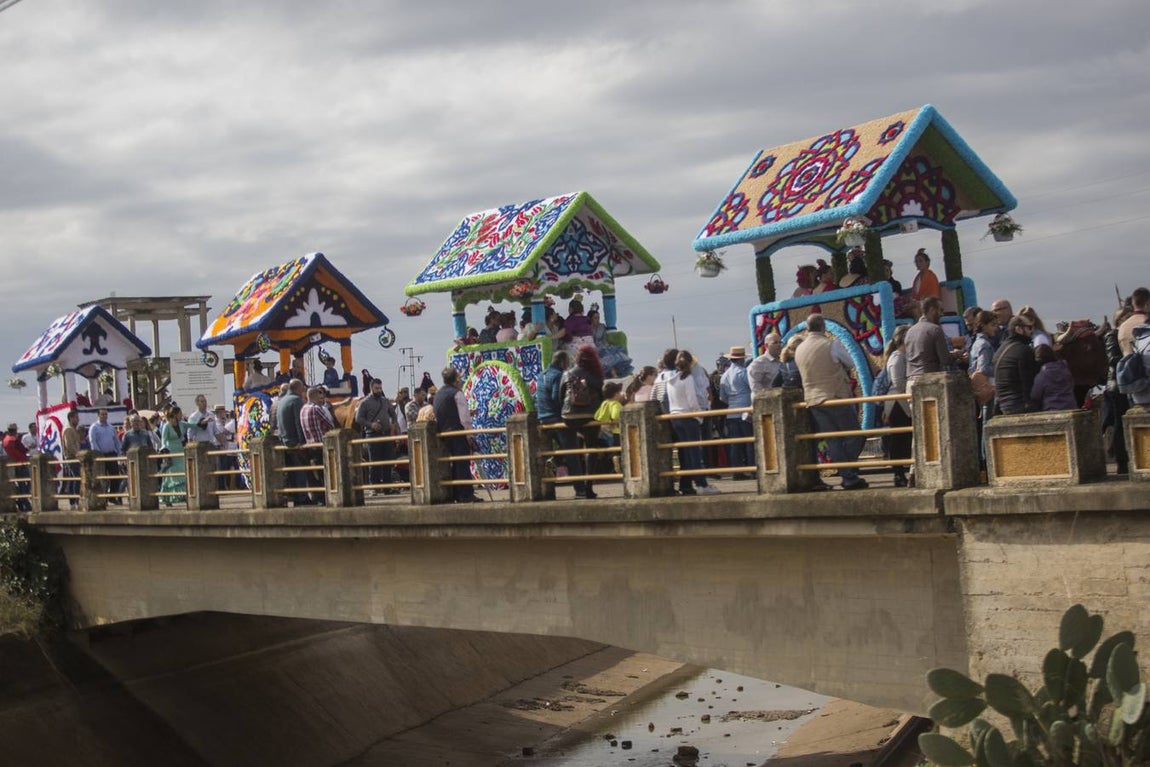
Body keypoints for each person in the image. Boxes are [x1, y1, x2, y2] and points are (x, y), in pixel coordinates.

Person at [795, 314, 867, 490]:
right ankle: (848, 474)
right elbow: (850, 362)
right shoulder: (831, 344)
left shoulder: (799, 348)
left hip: (812, 400)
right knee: (855, 435)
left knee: (833, 441)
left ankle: (848, 475)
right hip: (835, 396)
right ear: (823, 326)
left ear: (808, 327)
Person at [665, 350, 720, 496]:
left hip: (675, 416)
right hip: (689, 416)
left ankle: (689, 483)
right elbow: (692, 400)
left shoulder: (671, 379)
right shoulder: (687, 378)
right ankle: (701, 484)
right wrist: (699, 416)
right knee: (694, 452)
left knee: (685, 452)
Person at [433, 367, 482, 503]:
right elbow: (464, 418)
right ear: (456, 379)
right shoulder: (457, 393)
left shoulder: (439, 394)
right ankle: (465, 494)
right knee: (462, 464)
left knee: (453, 465)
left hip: (444, 433)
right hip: (458, 432)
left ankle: (455, 493)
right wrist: (469, 435)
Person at [882, 325, 912, 487]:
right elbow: (898, 383)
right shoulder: (897, 358)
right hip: (897, 404)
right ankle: (898, 473)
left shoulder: (904, 356)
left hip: (902, 403)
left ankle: (901, 471)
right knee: (898, 439)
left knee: (903, 438)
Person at [355, 379, 395, 495]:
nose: (379, 390)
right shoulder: (365, 402)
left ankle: (387, 487)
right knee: (374, 462)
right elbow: (359, 418)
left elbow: (393, 413)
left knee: (387, 461)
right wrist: (371, 424)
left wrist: (393, 423)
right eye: (377, 388)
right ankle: (374, 487)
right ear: (371, 388)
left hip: (385, 434)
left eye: (380, 388)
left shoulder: (384, 401)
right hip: (372, 434)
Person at [536, 350, 570, 480]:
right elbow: (556, 397)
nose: (568, 365)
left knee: (550, 446)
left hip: (542, 417)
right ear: (562, 362)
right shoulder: (559, 375)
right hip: (555, 417)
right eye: (567, 362)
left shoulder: (541, 375)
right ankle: (555, 460)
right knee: (569, 444)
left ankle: (554, 464)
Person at [276, 379, 311, 504]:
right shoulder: (296, 401)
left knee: (291, 472)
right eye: (302, 388)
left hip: (284, 441)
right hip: (294, 441)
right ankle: (302, 498)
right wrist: (301, 442)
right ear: (298, 388)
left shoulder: (282, 401)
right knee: (299, 471)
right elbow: (299, 422)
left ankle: (297, 497)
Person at [993, 316, 1039, 415]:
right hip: (1020, 405)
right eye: (1029, 327)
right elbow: (1028, 381)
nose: (1032, 331)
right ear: (1018, 329)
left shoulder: (1000, 350)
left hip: (1003, 406)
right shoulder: (1023, 350)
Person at [718, 346, 753, 471]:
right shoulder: (744, 372)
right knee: (750, 441)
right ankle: (752, 468)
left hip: (731, 411)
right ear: (742, 359)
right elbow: (752, 389)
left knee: (735, 444)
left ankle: (736, 470)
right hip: (745, 410)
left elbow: (722, 397)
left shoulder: (724, 376)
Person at [300, 386, 336, 503]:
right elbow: (330, 424)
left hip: (309, 445)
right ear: (315, 396)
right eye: (320, 396)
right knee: (325, 472)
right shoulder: (316, 408)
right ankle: (327, 498)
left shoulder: (303, 409)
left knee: (315, 473)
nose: (321, 399)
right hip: (320, 444)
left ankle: (318, 497)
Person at [904, 297, 955, 379]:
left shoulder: (910, 331)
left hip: (911, 380)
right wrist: (956, 355)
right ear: (932, 310)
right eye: (940, 310)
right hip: (929, 380)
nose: (942, 314)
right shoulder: (935, 329)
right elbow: (945, 360)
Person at [88, 408, 123, 504]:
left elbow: (116, 441)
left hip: (111, 454)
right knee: (102, 479)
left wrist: (120, 454)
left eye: (105, 414)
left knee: (115, 477)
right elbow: (93, 442)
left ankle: (112, 496)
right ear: (98, 415)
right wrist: (99, 455)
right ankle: (102, 498)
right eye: (102, 414)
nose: (104, 416)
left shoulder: (111, 427)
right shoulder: (94, 427)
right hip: (100, 456)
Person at [587, 308, 633, 377]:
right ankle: (613, 373)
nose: (597, 320)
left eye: (598, 317)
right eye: (595, 318)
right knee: (605, 355)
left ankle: (618, 372)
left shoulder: (602, 326)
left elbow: (605, 337)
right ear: (590, 319)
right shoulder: (587, 328)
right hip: (593, 347)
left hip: (603, 346)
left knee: (614, 354)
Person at [1031, 345, 1077, 411]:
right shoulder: (1065, 369)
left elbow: (1035, 395)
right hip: (1070, 407)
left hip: (1052, 410)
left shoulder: (1042, 376)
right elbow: (1072, 384)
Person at [158, 406, 188, 506]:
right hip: (171, 451)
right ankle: (168, 497)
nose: (181, 415)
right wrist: (164, 450)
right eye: (179, 413)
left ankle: (182, 495)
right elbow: (163, 439)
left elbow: (192, 425)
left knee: (182, 472)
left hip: (180, 450)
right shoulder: (166, 426)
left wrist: (202, 423)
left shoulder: (181, 424)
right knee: (171, 474)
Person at [3, 424, 31, 511]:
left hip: (13, 464)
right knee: (28, 483)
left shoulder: (5, 441)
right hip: (21, 463)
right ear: (15, 430)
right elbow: (23, 450)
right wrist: (29, 448)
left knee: (19, 484)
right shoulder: (15, 440)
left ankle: (21, 501)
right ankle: (25, 503)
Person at [1118, 287, 1150, 354]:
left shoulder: (1122, 327)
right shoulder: (1147, 324)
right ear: (1148, 303)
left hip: (1127, 363)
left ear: (1133, 303)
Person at [593, 381, 625, 447]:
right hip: (618, 431)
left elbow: (596, 416)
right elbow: (615, 415)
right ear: (616, 394)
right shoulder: (615, 404)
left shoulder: (605, 403)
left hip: (606, 431)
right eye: (619, 392)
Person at [61, 410, 81, 507]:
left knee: (73, 479)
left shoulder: (73, 429)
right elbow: (69, 445)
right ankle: (75, 500)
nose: (78, 420)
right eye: (76, 417)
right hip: (71, 457)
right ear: (71, 418)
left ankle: (73, 501)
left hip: (74, 457)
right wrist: (77, 454)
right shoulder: (68, 429)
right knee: (77, 478)